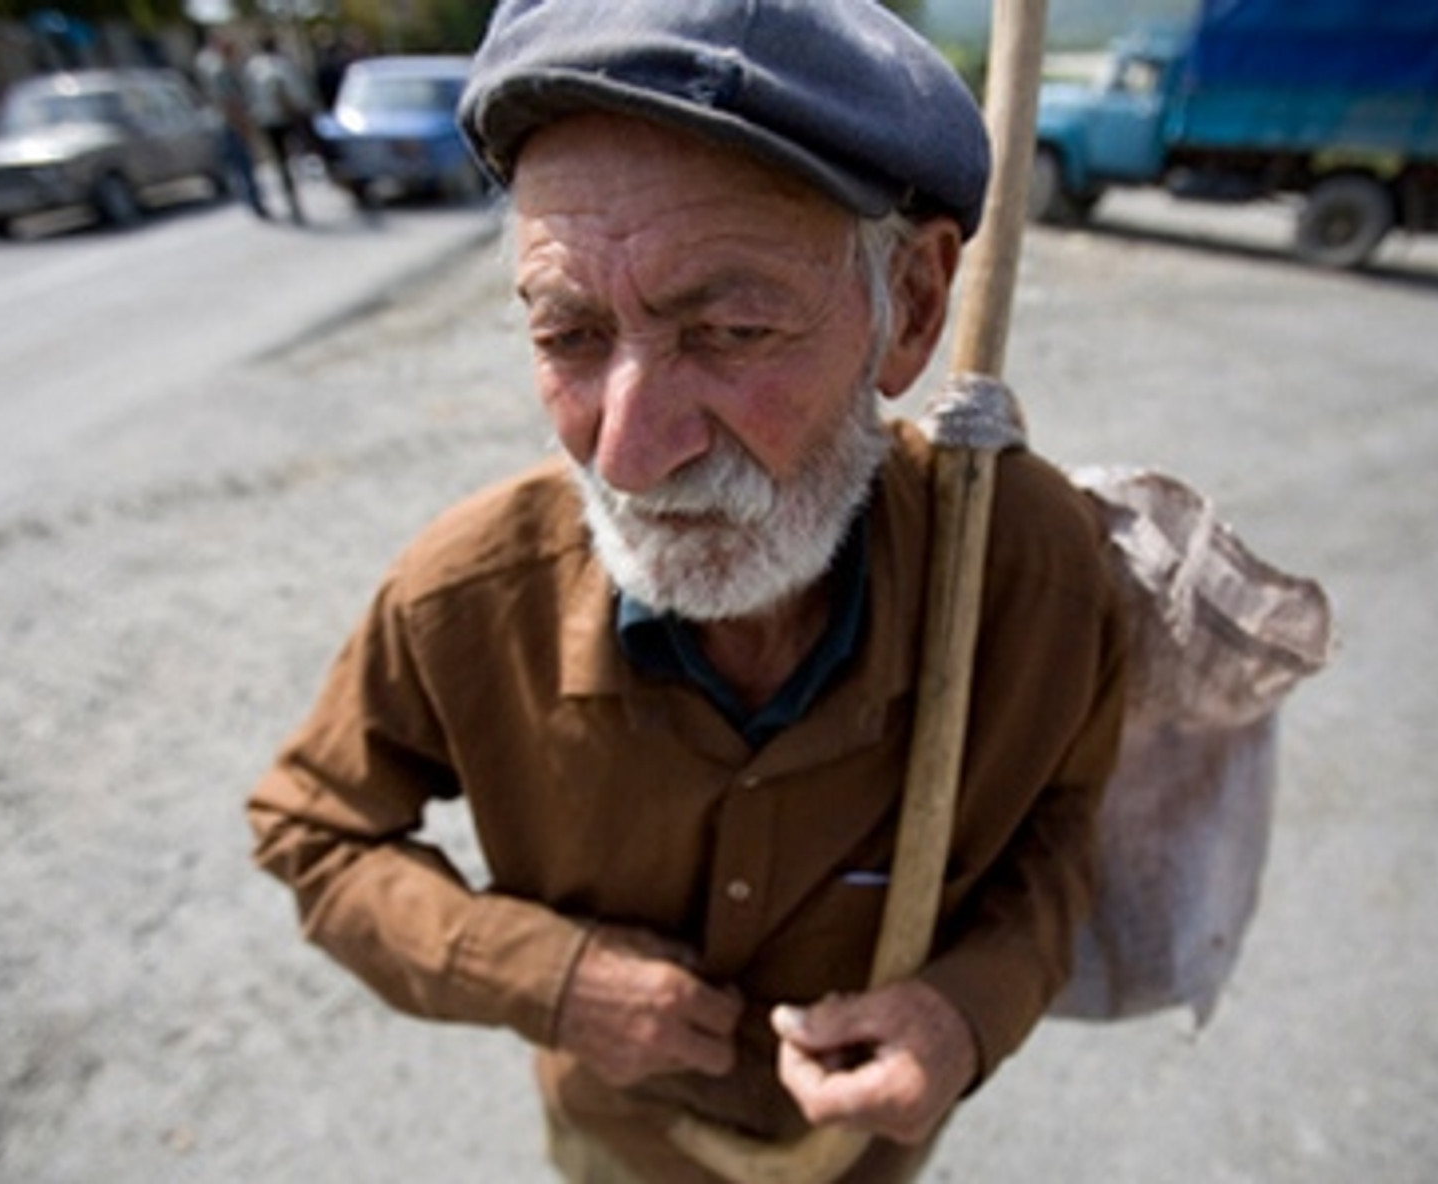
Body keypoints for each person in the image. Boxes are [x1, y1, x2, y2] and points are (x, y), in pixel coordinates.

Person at [246, 2, 1128, 1181]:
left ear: (910, 307)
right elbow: (313, 829)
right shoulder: (463, 599)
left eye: (729, 327)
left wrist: (970, 1008)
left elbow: (1060, 826)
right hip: (620, 1146)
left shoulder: (1035, 577)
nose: (625, 451)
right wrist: (543, 976)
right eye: (567, 333)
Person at [194, 30, 267, 219]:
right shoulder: (221, 71)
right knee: (243, 166)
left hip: (225, 124)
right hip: (230, 125)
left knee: (239, 166)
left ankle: (251, 199)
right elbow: (230, 103)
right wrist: (243, 127)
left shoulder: (218, 69)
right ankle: (253, 201)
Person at [243, 33, 314, 225]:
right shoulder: (282, 64)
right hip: (283, 118)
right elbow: (295, 93)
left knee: (281, 160)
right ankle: (293, 194)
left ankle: (291, 193)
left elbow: (249, 97)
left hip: (267, 120)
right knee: (294, 155)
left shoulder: (253, 67)